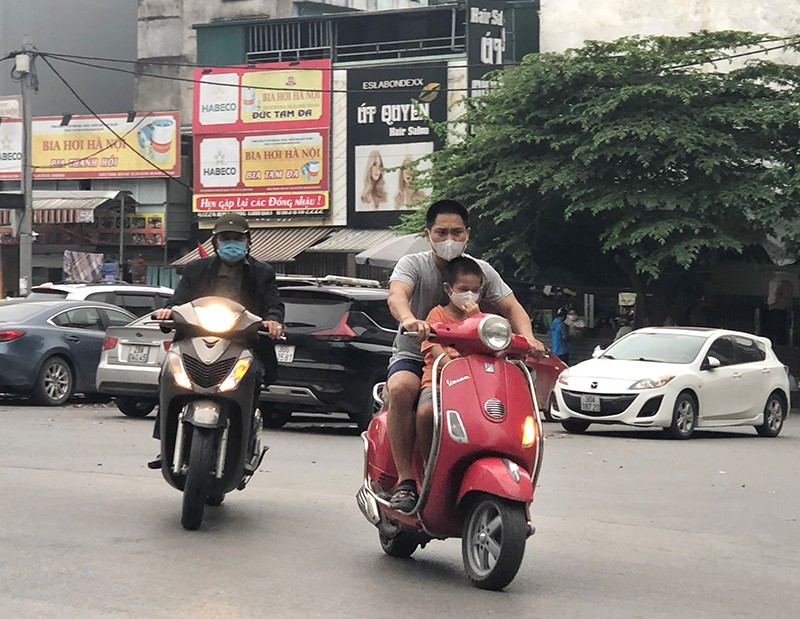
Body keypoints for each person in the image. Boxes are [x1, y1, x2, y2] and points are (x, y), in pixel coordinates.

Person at [385, 199, 545, 513]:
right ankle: (407, 481)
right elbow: (397, 295)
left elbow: (512, 308)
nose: (450, 239)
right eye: (442, 232)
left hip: (469, 360)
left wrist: (527, 337)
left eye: (457, 232)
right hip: (419, 355)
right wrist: (409, 320)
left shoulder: (480, 271)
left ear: (468, 234)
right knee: (403, 389)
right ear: (427, 233)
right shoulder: (412, 264)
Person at [148, 213, 284, 467]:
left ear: (248, 242)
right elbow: (178, 301)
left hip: (243, 342)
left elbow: (273, 304)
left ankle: (245, 445)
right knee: (168, 373)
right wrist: (169, 312)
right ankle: (164, 442)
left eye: (237, 238)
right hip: (196, 339)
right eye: (225, 238)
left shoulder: (262, 273)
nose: (232, 243)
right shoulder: (195, 269)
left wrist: (273, 321)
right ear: (215, 243)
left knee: (253, 376)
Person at [415, 256, 483, 467]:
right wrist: (447, 359)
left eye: (475, 290)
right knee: (427, 412)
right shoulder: (437, 315)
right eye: (463, 289)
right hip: (437, 383)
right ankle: (429, 464)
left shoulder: (483, 320)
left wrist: (477, 318)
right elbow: (433, 347)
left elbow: (489, 348)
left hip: (474, 387)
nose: (469, 295)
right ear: (448, 289)